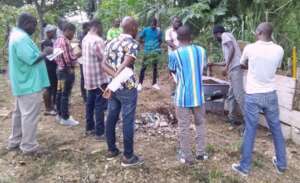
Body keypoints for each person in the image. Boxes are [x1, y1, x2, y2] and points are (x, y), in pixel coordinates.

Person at [232, 22, 287, 176]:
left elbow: (242, 65)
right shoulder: (279, 49)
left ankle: (244, 167)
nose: (255, 33)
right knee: (276, 129)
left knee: (250, 130)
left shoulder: (250, 48)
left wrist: (252, 67)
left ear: (260, 32)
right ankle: (282, 165)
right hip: (270, 93)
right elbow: (275, 67)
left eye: (256, 31)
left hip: (253, 94)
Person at [7, 13, 53, 155]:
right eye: (34, 25)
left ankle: (15, 141)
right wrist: (45, 52)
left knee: (19, 114)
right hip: (28, 83)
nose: (35, 28)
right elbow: (31, 59)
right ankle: (28, 147)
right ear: (27, 23)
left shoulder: (17, 35)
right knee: (29, 115)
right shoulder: (20, 38)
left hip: (23, 82)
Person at [102, 16, 144, 167]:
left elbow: (103, 64)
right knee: (127, 119)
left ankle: (111, 149)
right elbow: (127, 63)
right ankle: (128, 156)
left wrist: (113, 78)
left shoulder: (111, 42)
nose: (138, 30)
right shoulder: (132, 43)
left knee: (112, 116)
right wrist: (117, 76)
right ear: (132, 28)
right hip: (127, 87)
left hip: (113, 87)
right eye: (137, 27)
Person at [168, 25, 207, 165]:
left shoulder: (174, 54)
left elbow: (172, 71)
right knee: (200, 124)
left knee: (184, 126)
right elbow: (203, 67)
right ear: (191, 37)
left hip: (182, 96)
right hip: (198, 96)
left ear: (177, 39)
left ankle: (187, 157)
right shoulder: (202, 51)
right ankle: (201, 154)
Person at [82, 19, 109, 140]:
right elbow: (104, 59)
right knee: (99, 105)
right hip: (99, 78)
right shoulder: (98, 40)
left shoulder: (85, 38)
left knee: (90, 103)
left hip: (88, 77)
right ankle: (100, 132)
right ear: (97, 27)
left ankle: (89, 128)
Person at [213, 25, 245, 126]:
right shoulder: (226, 40)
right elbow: (227, 60)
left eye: (214, 36)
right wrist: (213, 64)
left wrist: (226, 67)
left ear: (217, 33)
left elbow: (232, 48)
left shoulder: (225, 35)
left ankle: (249, 121)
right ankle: (232, 118)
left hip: (235, 69)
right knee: (231, 95)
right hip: (233, 69)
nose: (215, 38)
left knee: (239, 95)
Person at [54, 22, 81, 126]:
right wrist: (78, 55)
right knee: (65, 94)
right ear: (68, 31)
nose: (73, 35)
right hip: (65, 72)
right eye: (73, 33)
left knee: (60, 92)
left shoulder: (58, 40)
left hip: (60, 71)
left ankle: (59, 114)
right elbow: (67, 59)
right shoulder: (64, 41)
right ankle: (65, 117)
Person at [137, 17, 162, 91]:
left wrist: (157, 47)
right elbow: (140, 38)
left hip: (155, 52)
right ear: (150, 23)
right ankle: (140, 84)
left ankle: (154, 83)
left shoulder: (158, 31)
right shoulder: (146, 30)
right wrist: (144, 44)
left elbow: (160, 40)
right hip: (147, 51)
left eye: (154, 24)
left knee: (155, 68)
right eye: (152, 24)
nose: (153, 25)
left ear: (156, 24)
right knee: (143, 68)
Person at [42, 24, 57, 116]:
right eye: (53, 32)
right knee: (48, 87)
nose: (54, 33)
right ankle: (48, 108)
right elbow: (49, 55)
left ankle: (52, 105)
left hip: (50, 66)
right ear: (48, 33)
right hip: (49, 67)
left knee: (52, 86)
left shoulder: (49, 41)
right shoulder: (46, 42)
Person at [165, 17, 182, 96]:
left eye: (178, 22)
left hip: (182, 55)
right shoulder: (169, 31)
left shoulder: (181, 31)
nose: (177, 23)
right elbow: (169, 42)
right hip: (173, 55)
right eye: (175, 22)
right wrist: (178, 49)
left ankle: (180, 90)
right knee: (172, 73)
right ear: (172, 22)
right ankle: (173, 92)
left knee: (181, 72)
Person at [78, 22, 90, 103]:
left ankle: (85, 95)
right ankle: (84, 96)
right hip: (83, 59)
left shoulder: (84, 35)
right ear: (85, 28)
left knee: (85, 77)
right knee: (83, 78)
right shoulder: (83, 36)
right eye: (88, 27)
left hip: (85, 59)